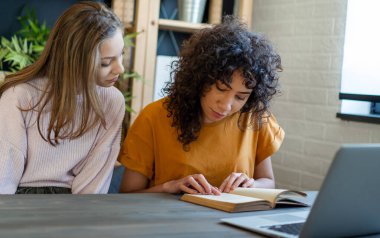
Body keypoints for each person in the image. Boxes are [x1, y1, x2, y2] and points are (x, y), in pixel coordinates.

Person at [119, 16, 284, 195]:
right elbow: (128, 194)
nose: (226, 106)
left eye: (241, 97)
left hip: (232, 220)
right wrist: (169, 187)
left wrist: (252, 185)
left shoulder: (254, 118)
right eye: (221, 89)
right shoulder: (153, 117)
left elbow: (268, 182)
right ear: (200, 78)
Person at [0, 1, 125, 194]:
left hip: (78, 204)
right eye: (106, 63)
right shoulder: (19, 96)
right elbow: (4, 179)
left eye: (121, 55)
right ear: (74, 60)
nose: (120, 69)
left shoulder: (112, 101)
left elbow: (94, 183)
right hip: (20, 201)